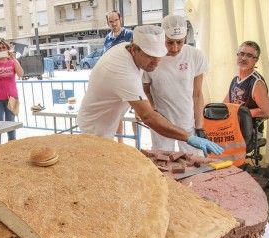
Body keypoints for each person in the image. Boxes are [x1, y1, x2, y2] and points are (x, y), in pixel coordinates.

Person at [76, 25, 223, 156]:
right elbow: (148, 116)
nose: (156, 63)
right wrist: (188, 137)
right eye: (150, 57)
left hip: (107, 123)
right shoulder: (123, 70)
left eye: (159, 57)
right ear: (134, 49)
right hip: (94, 129)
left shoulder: (129, 50)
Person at [143, 15, 208, 156]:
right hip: (162, 124)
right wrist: (153, 112)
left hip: (187, 122)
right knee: (163, 164)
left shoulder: (195, 55)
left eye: (180, 42)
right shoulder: (151, 58)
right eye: (169, 42)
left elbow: (197, 94)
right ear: (162, 38)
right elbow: (145, 91)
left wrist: (200, 127)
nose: (175, 48)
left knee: (196, 163)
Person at [103, 10, 134, 143]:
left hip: (130, 79)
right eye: (111, 21)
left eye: (116, 20)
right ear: (108, 23)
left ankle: (136, 144)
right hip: (114, 81)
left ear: (120, 19)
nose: (114, 23)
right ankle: (120, 144)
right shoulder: (107, 38)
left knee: (135, 113)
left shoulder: (129, 34)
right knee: (117, 114)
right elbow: (105, 58)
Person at [224, 41, 269, 119]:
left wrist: (238, 113)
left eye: (249, 55)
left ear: (256, 60)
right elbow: (225, 105)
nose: (243, 58)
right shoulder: (235, 80)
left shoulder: (257, 82)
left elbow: (266, 112)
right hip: (232, 127)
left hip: (249, 129)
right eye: (241, 54)